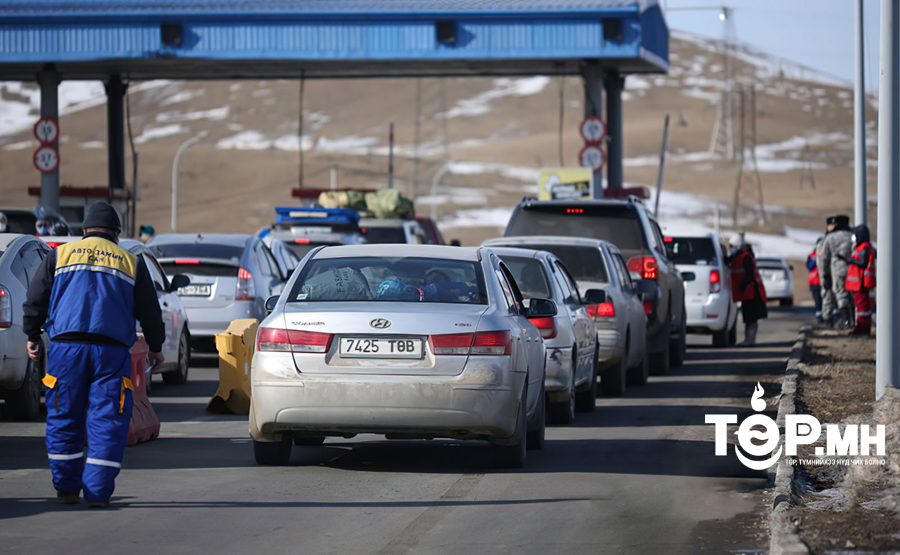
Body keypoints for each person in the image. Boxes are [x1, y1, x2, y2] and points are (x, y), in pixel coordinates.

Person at [22, 202, 165, 508]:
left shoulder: (59, 255)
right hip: (110, 355)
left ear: (84, 231)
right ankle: (98, 493)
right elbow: (150, 313)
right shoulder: (130, 262)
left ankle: (66, 488)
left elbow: (36, 299)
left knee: (63, 417)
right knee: (107, 421)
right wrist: (156, 347)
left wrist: (32, 337)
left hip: (64, 351)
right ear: (116, 233)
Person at [728, 233, 767, 346]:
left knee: (751, 317)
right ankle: (749, 339)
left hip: (752, 292)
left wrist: (743, 284)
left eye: (733, 246)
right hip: (748, 292)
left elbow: (749, 274)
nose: (731, 248)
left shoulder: (745, 257)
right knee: (749, 316)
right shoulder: (739, 256)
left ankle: (750, 340)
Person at [817, 215, 854, 328]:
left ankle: (845, 321)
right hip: (853, 269)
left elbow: (824, 258)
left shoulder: (831, 238)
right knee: (852, 295)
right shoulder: (852, 236)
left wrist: (824, 275)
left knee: (841, 294)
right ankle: (853, 320)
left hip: (838, 270)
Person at [845, 224, 876, 336]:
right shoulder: (863, 247)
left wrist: (850, 261)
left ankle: (862, 329)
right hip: (859, 283)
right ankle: (862, 328)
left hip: (861, 283)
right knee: (862, 307)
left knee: (862, 308)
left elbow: (862, 263)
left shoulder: (864, 247)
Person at [807, 238, 824, 322]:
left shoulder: (825, 253)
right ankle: (818, 312)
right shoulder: (812, 255)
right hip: (814, 281)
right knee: (817, 299)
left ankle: (824, 313)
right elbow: (809, 266)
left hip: (823, 280)